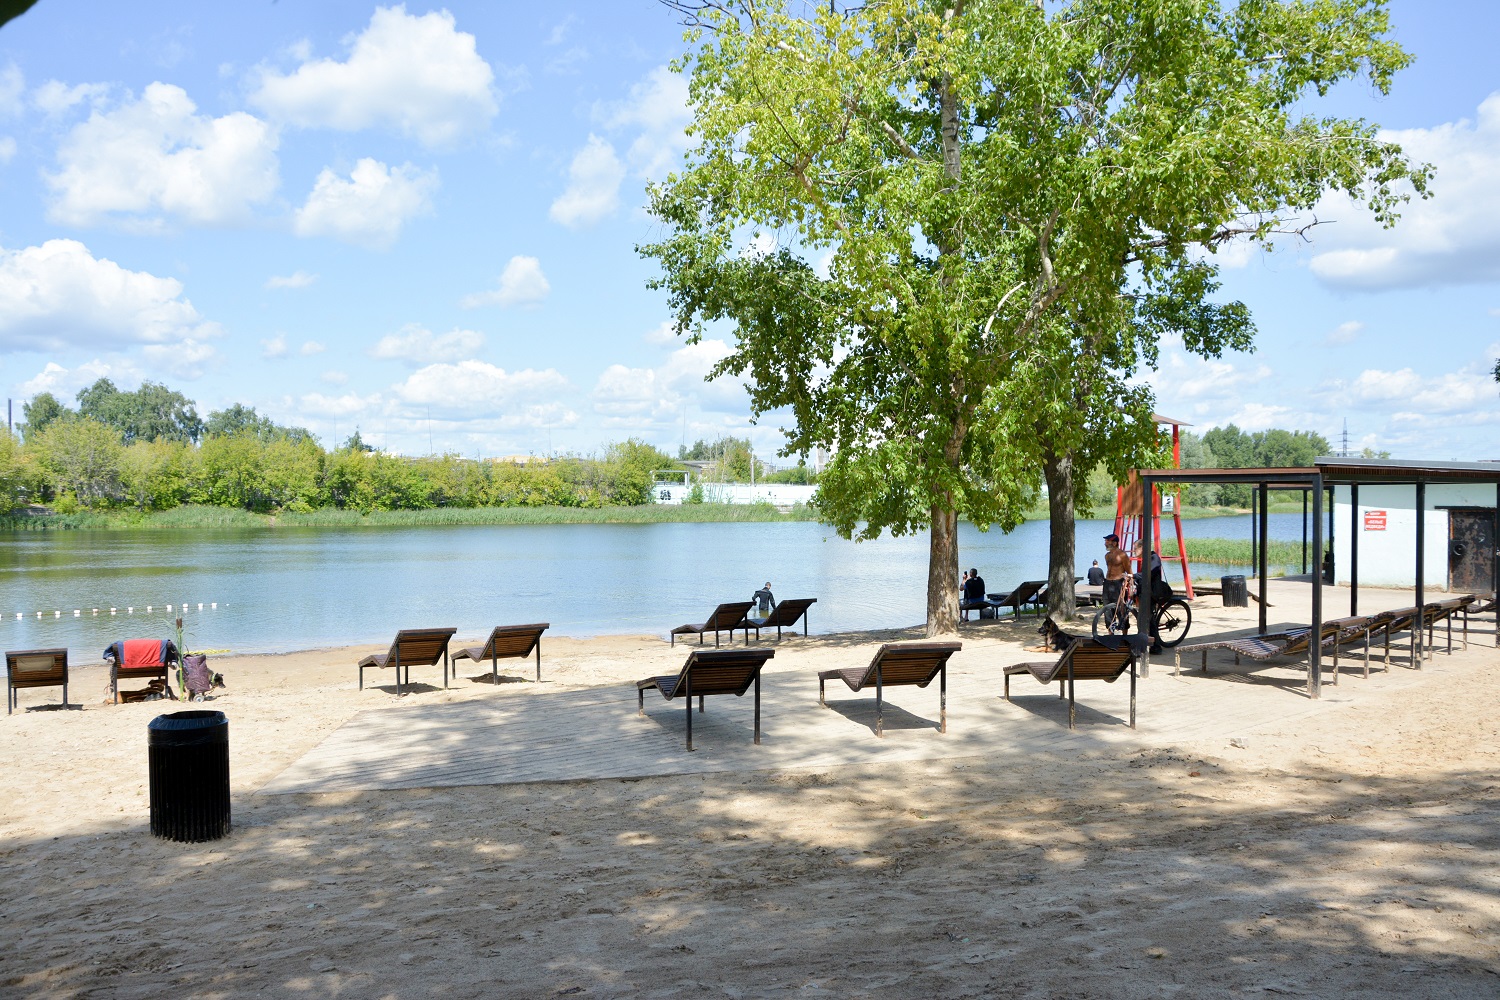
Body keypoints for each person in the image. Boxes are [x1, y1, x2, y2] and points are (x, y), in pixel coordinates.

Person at [1102, 534, 1129, 608]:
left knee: (1119, 607)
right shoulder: (1107, 555)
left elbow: (1129, 571)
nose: (1105, 544)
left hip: (1118, 583)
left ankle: (1122, 619)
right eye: (1105, 541)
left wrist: (1128, 584)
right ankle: (1108, 620)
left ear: (1114, 543)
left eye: (1107, 541)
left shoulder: (1122, 555)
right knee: (1106, 606)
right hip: (1107, 582)